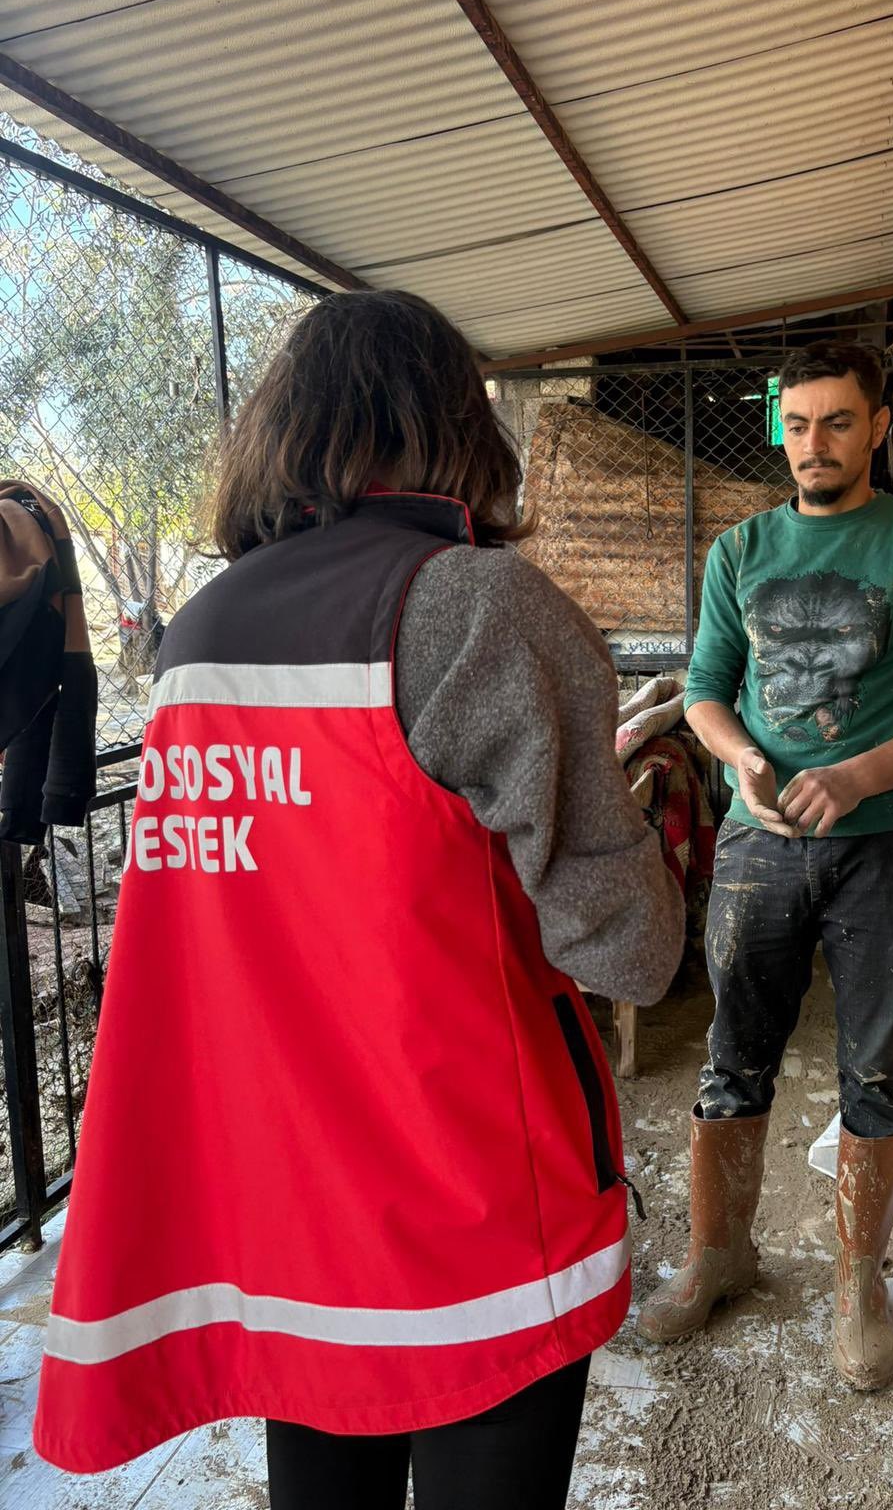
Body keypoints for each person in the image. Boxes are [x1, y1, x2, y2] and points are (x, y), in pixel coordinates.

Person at [33, 290, 685, 1510]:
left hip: (286, 1222)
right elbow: (630, 952)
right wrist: (631, 811)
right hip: (473, 1219)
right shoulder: (481, 604)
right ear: (455, 422)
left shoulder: (195, 639)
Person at [637, 342, 893, 1393]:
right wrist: (742, 758)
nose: (814, 443)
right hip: (761, 843)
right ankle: (719, 1254)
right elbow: (706, 685)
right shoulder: (741, 549)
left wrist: (855, 775)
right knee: (732, 1054)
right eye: (797, 424)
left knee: (879, 1068)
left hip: (886, 845)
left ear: (877, 426)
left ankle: (858, 1285)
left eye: (838, 422)